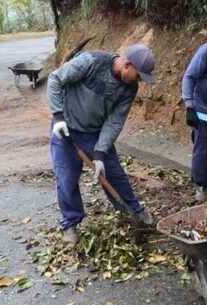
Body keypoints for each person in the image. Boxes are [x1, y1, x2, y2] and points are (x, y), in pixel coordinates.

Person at [46, 44, 157, 246]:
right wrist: (58, 116)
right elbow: (55, 79)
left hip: (94, 133)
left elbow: (115, 121)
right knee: (66, 178)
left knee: (114, 174)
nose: (139, 80)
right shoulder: (91, 62)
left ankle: (134, 211)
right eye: (138, 75)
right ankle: (70, 223)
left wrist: (99, 152)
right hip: (66, 129)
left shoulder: (129, 88)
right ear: (127, 64)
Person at [181, 39, 207, 201]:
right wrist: (189, 105)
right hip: (205, 112)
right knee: (204, 150)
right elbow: (189, 76)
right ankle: (201, 187)